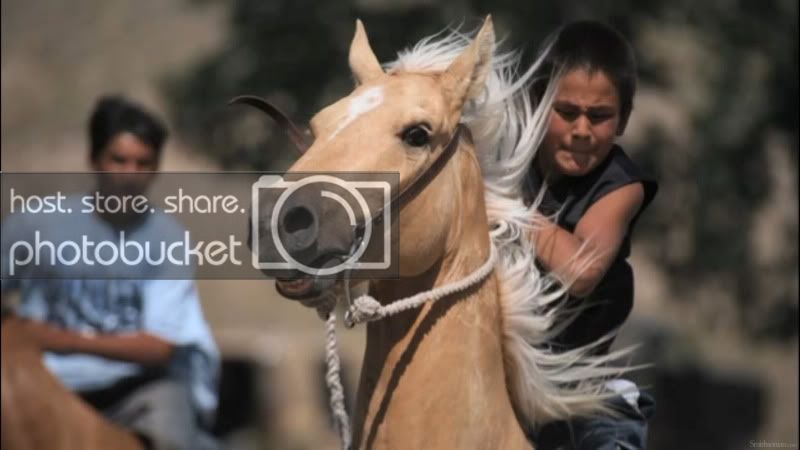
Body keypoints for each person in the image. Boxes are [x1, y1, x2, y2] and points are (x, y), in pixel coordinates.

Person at [1, 95, 222, 450]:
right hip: (45, 380)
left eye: (143, 163)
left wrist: (56, 339)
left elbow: (158, 347)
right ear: (94, 159)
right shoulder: (36, 223)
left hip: (140, 388)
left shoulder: (167, 238)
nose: (130, 174)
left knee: (175, 441)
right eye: (119, 160)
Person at [522, 21, 659, 450]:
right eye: (567, 112)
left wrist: (504, 211)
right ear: (537, 105)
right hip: (494, 373)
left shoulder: (622, 187)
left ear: (623, 120)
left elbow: (579, 271)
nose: (582, 130)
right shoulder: (503, 161)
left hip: (580, 390)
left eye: (599, 116)